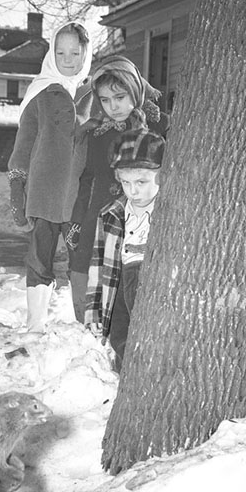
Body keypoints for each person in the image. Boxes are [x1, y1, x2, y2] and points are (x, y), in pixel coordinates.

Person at [66, 55, 169, 323]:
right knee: (90, 287)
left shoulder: (161, 126)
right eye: (105, 100)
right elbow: (85, 180)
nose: (113, 106)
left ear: (134, 90)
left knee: (133, 297)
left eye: (120, 97)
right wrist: (76, 222)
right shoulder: (97, 134)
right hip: (99, 223)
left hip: (143, 224)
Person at [7, 19, 92, 333]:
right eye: (61, 53)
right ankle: (35, 324)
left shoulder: (93, 94)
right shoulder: (41, 93)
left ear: (86, 53)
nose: (68, 60)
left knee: (81, 259)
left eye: (75, 53)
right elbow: (24, 144)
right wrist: (18, 182)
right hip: (44, 193)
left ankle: (87, 323)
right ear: (51, 54)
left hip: (79, 196)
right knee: (40, 258)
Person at [85, 129, 165, 372]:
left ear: (161, 175)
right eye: (125, 182)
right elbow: (98, 263)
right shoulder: (111, 214)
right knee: (120, 337)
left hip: (151, 285)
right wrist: (94, 308)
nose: (133, 191)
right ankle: (125, 377)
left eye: (141, 182)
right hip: (117, 286)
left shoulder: (168, 211)